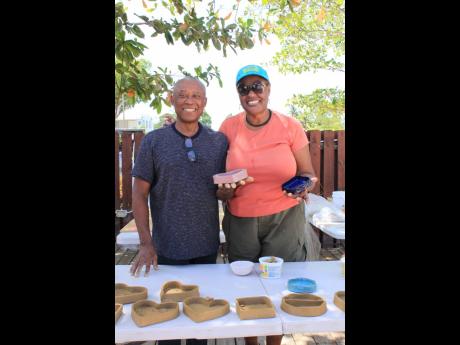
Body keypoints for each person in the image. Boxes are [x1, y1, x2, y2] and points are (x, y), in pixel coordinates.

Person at [217, 65, 318, 345]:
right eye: (243, 88)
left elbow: (308, 172)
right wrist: (224, 191)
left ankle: (274, 342)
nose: (251, 93)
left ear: (268, 89)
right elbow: (218, 182)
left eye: (257, 86)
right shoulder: (228, 127)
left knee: (277, 284)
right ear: (238, 94)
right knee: (246, 284)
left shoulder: (289, 126)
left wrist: (303, 186)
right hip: (240, 219)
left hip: (284, 218)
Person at [130, 76, 228, 345]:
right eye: (182, 95)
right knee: (168, 327)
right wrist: (145, 243)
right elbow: (139, 194)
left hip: (206, 247)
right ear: (171, 100)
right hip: (166, 248)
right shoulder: (154, 141)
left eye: (196, 96)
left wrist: (228, 192)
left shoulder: (218, 141)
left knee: (200, 326)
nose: (189, 101)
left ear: (204, 103)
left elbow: (220, 190)